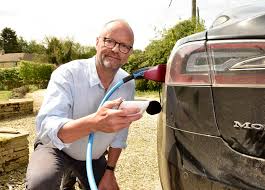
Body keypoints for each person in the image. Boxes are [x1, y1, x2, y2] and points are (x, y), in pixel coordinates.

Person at [26, 19, 142, 190]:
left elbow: (120, 134)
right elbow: (48, 125)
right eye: (109, 41)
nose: (116, 49)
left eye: (124, 46)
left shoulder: (127, 83)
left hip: (92, 156)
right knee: (41, 183)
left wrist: (110, 171)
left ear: (129, 53)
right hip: (56, 148)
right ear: (97, 42)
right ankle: (70, 175)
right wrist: (95, 123)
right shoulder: (68, 74)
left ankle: (76, 176)